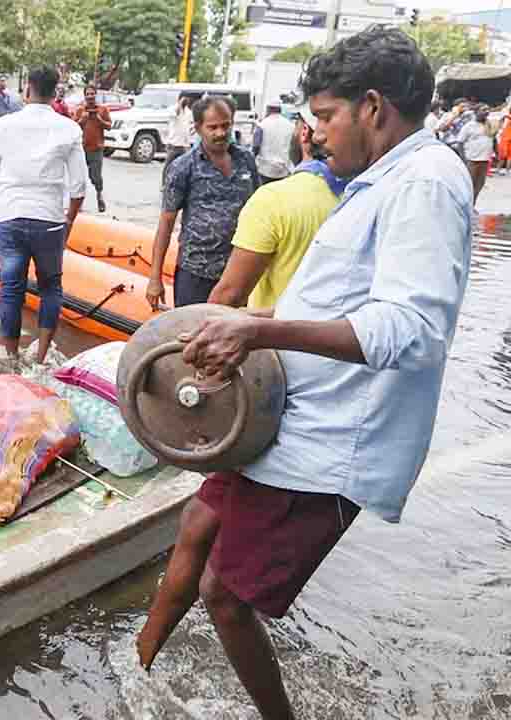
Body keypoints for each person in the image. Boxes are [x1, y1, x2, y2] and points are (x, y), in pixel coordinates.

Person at [136, 28, 473, 720]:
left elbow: (411, 332)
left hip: (327, 446)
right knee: (198, 523)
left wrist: (259, 328)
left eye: (325, 116)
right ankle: (140, 666)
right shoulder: (380, 178)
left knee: (224, 596)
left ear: (373, 107)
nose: (314, 135)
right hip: (278, 421)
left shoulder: (427, 182)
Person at [0, 66, 86, 365]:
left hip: (11, 216)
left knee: (11, 288)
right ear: (55, 92)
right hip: (49, 220)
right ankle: (39, 358)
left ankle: (11, 359)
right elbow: (78, 187)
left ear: (27, 90)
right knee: (51, 287)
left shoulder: (4, 125)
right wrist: (69, 222)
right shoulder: (69, 129)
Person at [208, 105, 347, 310]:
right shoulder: (361, 197)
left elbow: (230, 295)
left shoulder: (272, 200)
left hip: (273, 337)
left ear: (305, 132)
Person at [148, 95, 259, 309]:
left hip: (238, 271)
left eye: (226, 125)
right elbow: (166, 223)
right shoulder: (183, 167)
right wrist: (155, 278)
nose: (221, 133)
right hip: (197, 272)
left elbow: (258, 207)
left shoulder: (246, 160)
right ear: (198, 128)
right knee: (192, 335)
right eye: (213, 127)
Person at [74, 84, 111, 213]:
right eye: (87, 94)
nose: (90, 96)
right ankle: (78, 203)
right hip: (81, 149)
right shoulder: (80, 110)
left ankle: (99, 195)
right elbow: (73, 127)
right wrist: (82, 120)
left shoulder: (102, 110)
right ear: (84, 96)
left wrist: (99, 119)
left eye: (92, 93)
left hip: (96, 148)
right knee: (79, 178)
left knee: (95, 176)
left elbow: (109, 126)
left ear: (96, 95)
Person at [457, 104, 494, 206]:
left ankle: (472, 205)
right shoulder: (469, 126)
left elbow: (492, 139)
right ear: (476, 112)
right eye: (483, 110)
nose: (486, 112)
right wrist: (463, 159)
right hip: (472, 160)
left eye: (487, 109)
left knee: (479, 185)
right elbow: (460, 142)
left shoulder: (489, 125)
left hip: (485, 160)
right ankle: (465, 206)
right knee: (469, 185)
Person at [252, 101, 295, 184]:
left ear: (269, 109)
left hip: (265, 169)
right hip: (283, 169)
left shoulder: (262, 125)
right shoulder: (291, 125)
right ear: (279, 110)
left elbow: (256, 146)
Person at [163, 96, 194, 180]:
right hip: (173, 144)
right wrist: (180, 105)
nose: (185, 101)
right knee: (168, 166)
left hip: (184, 145)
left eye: (187, 99)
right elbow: (174, 114)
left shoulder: (188, 112)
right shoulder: (173, 109)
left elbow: (189, 126)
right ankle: (164, 184)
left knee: (184, 167)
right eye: (184, 99)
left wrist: (188, 142)